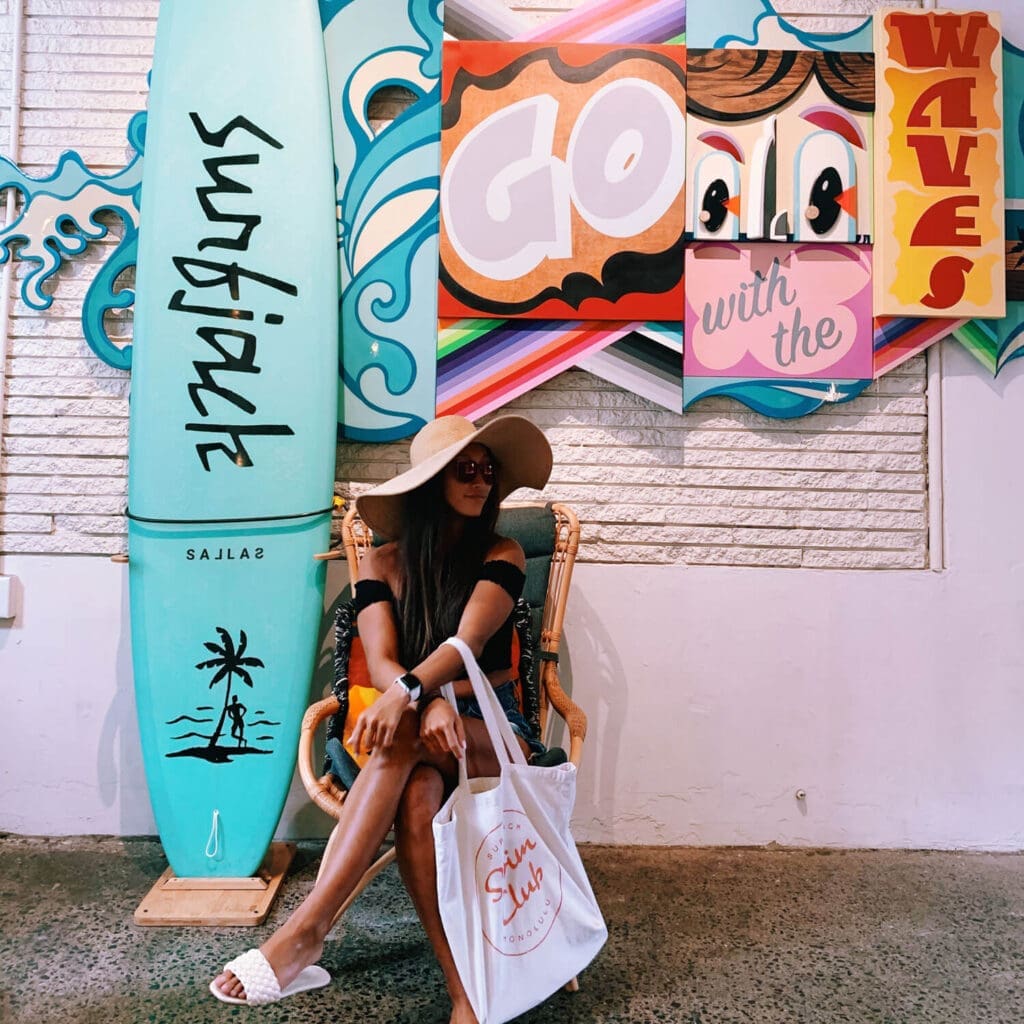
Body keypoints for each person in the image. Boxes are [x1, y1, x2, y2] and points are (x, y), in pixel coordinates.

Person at [210, 413, 553, 1021]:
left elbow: (468, 645)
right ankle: (463, 990)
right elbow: (385, 657)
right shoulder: (380, 562)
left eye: (487, 472)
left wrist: (422, 699)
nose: (480, 482)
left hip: (493, 732)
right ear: (433, 484)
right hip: (418, 728)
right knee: (417, 791)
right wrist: (422, 703)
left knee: (402, 738)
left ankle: (307, 930)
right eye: (465, 471)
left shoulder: (503, 553)